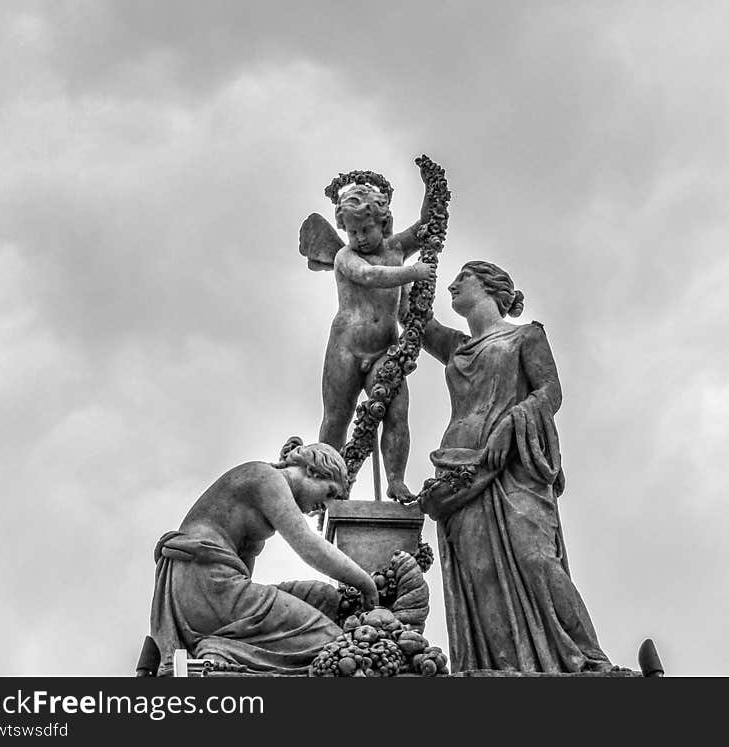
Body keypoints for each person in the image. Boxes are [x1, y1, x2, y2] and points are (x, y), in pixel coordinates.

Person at [418, 261, 613, 673]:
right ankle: (503, 668)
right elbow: (413, 318)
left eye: (463, 278)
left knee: (536, 559)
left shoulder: (526, 336)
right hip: (458, 471)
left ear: (491, 286)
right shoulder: (456, 347)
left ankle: (586, 661)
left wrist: (512, 422)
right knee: (481, 572)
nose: (452, 285)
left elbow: (550, 392)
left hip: (512, 464)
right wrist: (385, 253)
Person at [149, 441, 378, 675]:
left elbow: (245, 571)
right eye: (330, 492)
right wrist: (365, 582)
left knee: (325, 598)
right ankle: (218, 650)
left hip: (208, 588)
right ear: (312, 470)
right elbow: (309, 546)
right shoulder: (266, 478)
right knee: (330, 640)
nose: (325, 506)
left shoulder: (261, 498)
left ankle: (227, 647)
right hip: (207, 585)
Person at [302, 171, 436, 502]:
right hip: (346, 347)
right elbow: (370, 276)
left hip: (384, 350)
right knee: (337, 417)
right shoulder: (345, 257)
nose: (359, 237)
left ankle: (395, 479)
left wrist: (432, 187)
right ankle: (326, 481)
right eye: (351, 231)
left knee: (396, 412)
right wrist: (412, 272)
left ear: (383, 221)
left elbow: (428, 224)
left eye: (366, 229)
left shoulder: (396, 248)